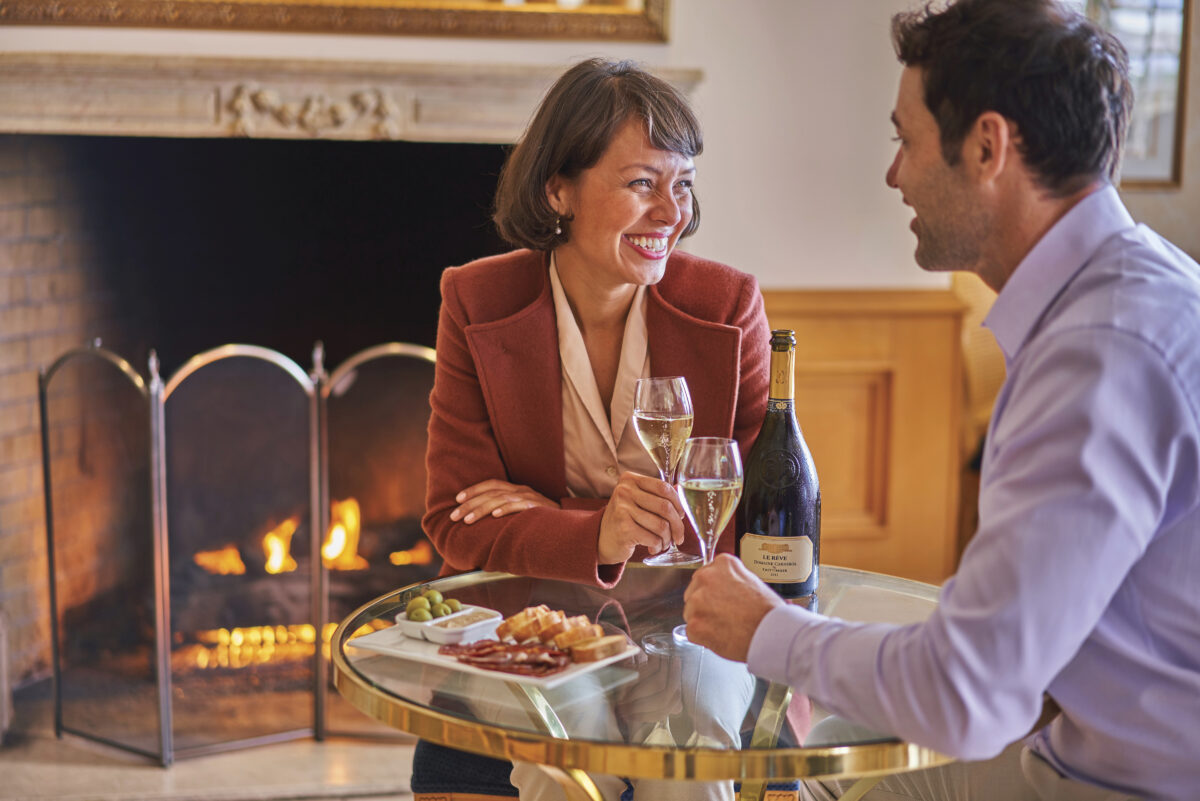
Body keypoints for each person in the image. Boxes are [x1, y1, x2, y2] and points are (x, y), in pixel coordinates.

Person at [682, 1, 1200, 800]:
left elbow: (970, 695)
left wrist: (769, 632)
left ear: (988, 146)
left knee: (821, 767)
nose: (894, 173)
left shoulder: (1097, 355)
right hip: (1094, 742)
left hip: (1125, 782)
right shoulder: (1138, 288)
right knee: (843, 744)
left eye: (905, 139)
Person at [416, 58, 771, 801]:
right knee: (568, 750)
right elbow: (456, 519)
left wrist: (546, 515)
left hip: (692, 613)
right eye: (642, 183)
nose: (671, 212)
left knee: (697, 741)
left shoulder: (728, 306)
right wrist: (598, 536)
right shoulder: (476, 299)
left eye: (683, 184)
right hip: (529, 615)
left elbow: (755, 519)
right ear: (559, 190)